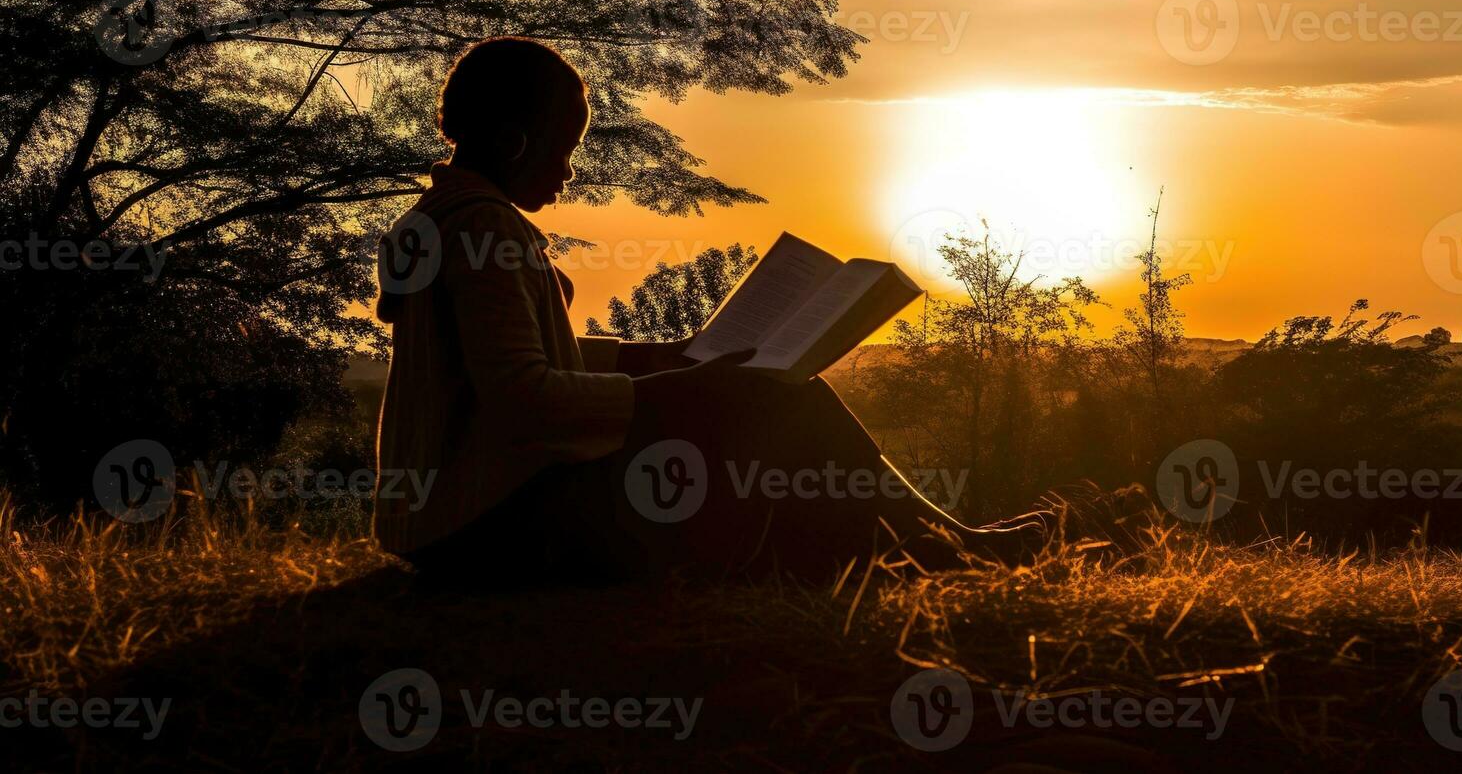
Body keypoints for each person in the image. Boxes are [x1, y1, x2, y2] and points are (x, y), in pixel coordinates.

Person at [372, 37, 1042, 586]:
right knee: (780, 403)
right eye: (564, 150)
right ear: (516, 142)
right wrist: (688, 388)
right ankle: (939, 550)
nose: (568, 172)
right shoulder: (486, 232)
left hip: (435, 520)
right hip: (481, 527)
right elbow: (524, 398)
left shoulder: (435, 220)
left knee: (758, 400)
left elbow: (519, 360)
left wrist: (660, 357)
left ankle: (905, 549)